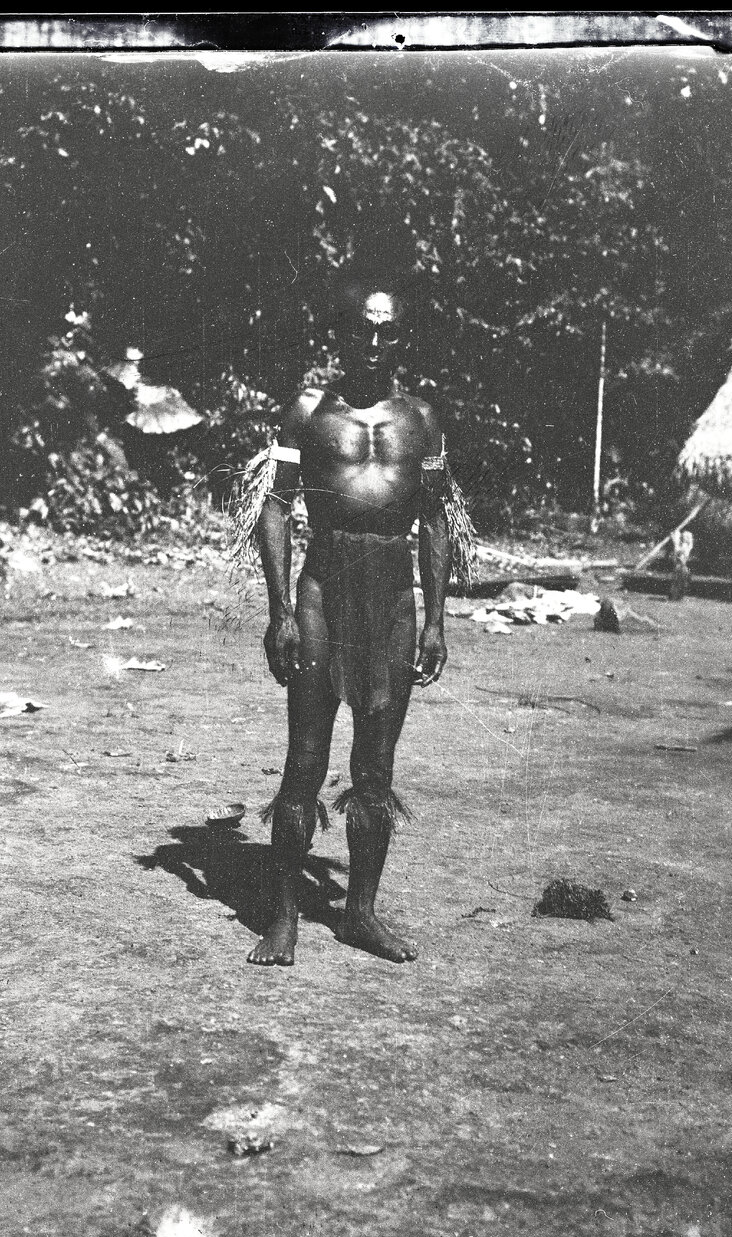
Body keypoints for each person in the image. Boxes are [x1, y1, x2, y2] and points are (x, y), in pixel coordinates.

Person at [229, 272, 475, 967]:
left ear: (402, 336)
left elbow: (433, 521)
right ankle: (282, 920)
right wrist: (280, 613)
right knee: (304, 762)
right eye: (361, 329)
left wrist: (435, 623)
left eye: (387, 331)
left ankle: (360, 912)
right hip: (321, 592)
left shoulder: (422, 420)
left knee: (375, 767)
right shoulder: (307, 412)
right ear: (340, 334)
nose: (373, 342)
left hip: (392, 599)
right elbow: (275, 511)